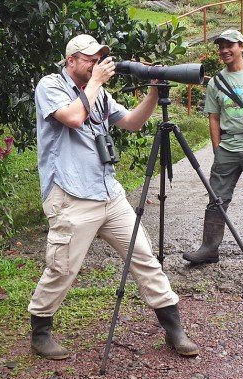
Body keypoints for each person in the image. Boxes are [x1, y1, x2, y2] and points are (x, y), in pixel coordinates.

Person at [28, 34, 199, 360]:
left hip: (108, 192)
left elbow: (133, 123)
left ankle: (173, 327)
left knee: (144, 257)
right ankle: (40, 331)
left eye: (100, 58)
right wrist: (94, 82)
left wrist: (152, 90)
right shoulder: (49, 86)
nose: (97, 63)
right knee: (62, 268)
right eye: (90, 58)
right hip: (71, 195)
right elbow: (73, 118)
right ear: (71, 61)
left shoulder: (100, 92)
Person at [183, 29, 243, 269]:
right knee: (216, 198)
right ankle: (209, 248)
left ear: (242, 47)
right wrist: (217, 148)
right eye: (221, 46)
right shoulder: (216, 81)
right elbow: (214, 118)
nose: (224, 50)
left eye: (230, 45)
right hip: (227, 148)